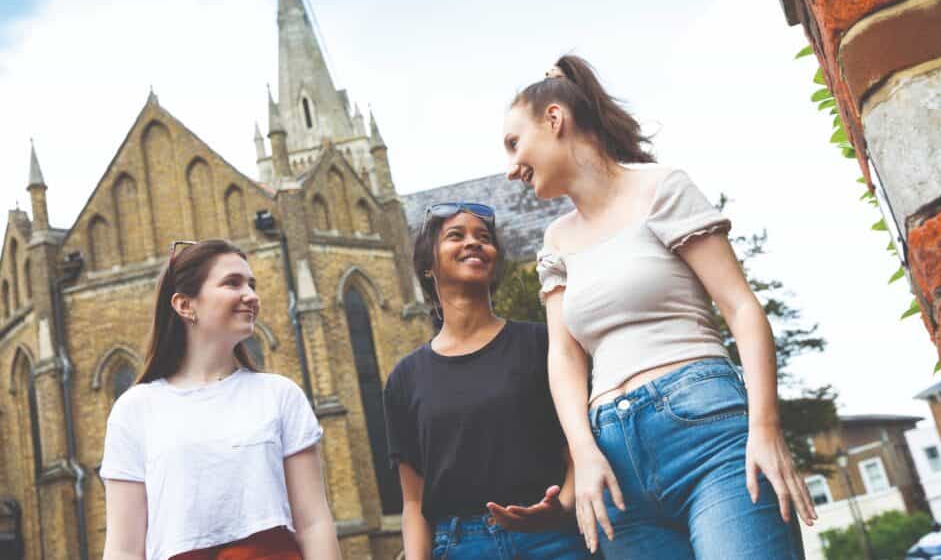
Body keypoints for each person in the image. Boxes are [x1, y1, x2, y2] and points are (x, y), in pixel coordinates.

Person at [501, 55, 817, 558]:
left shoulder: (661, 188)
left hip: (707, 435)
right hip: (613, 462)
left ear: (555, 121)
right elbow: (563, 357)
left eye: (514, 143)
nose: (511, 166)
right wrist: (583, 453)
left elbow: (740, 307)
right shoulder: (555, 240)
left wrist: (765, 429)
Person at [100, 239, 343, 560]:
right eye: (233, 283)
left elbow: (313, 523)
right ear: (186, 305)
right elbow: (124, 548)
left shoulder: (279, 395)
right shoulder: (135, 409)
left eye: (252, 284)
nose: (252, 296)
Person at [383, 202, 592, 559]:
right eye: (456, 236)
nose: (474, 243)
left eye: (484, 237)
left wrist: (564, 506)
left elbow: (578, 447)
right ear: (428, 265)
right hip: (460, 546)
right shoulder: (405, 378)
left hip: (554, 538)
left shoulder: (545, 344)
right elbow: (414, 502)